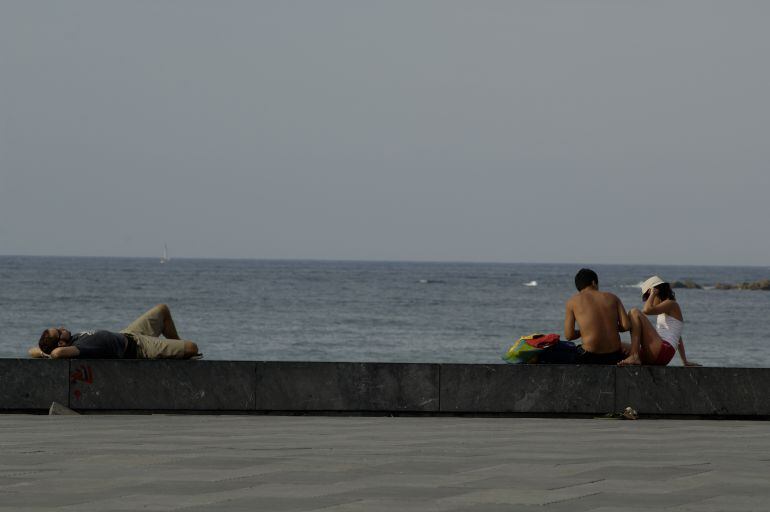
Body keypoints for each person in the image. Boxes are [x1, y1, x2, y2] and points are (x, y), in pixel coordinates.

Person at [28, 304, 200, 359]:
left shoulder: (72, 340)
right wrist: (51, 353)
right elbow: (57, 354)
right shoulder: (76, 348)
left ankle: (177, 344)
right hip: (140, 348)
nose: (62, 328)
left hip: (128, 333)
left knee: (162, 309)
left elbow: (33, 350)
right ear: (60, 343)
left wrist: (45, 353)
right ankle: (182, 351)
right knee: (192, 348)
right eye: (59, 331)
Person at [618, 276, 699, 367]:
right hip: (660, 354)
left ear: (657, 291)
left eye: (647, 297)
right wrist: (684, 361)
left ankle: (634, 356)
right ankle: (633, 356)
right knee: (618, 346)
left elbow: (646, 310)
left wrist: (652, 293)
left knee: (634, 312)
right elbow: (678, 338)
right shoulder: (665, 312)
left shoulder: (671, 304)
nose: (648, 300)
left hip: (663, 350)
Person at [563, 268, 631, 364]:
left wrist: (586, 331)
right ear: (594, 282)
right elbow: (626, 326)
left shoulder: (572, 302)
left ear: (578, 287)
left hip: (590, 355)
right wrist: (609, 327)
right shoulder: (613, 297)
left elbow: (569, 335)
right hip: (614, 355)